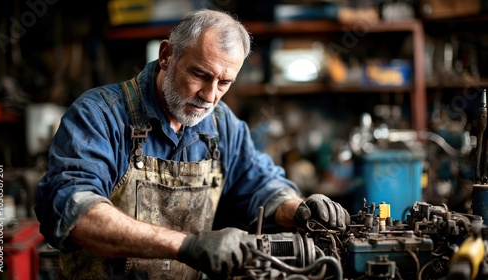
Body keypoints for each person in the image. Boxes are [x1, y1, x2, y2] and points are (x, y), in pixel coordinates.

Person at [34, 8, 350, 280]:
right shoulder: (100, 115)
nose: (210, 96)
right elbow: (75, 212)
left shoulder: (222, 124)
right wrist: (187, 246)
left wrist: (299, 209)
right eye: (200, 75)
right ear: (167, 55)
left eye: (224, 83)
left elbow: (260, 186)